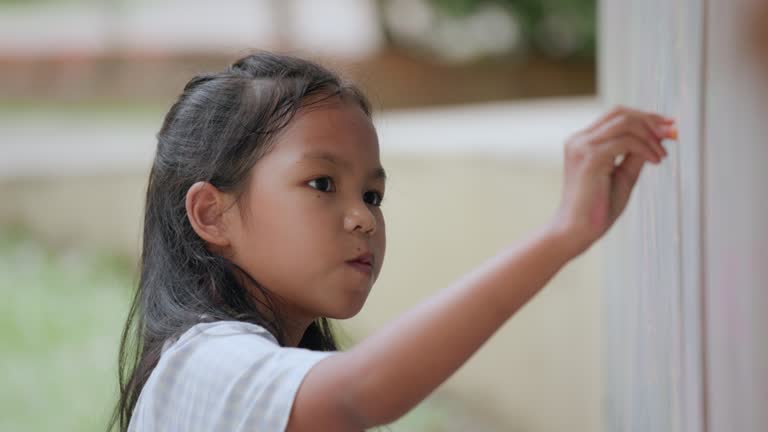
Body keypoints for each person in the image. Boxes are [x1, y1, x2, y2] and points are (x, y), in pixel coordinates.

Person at [109, 52, 677, 432]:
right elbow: (360, 392)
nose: (362, 218)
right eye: (322, 184)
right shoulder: (202, 364)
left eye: (373, 195)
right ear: (213, 214)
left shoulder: (274, 369)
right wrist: (564, 234)